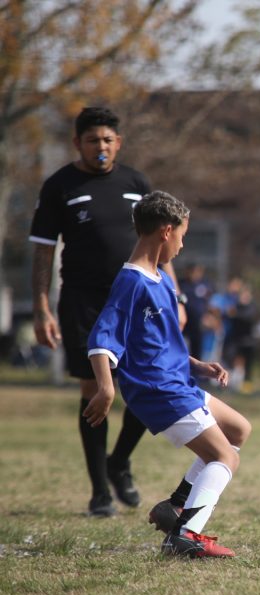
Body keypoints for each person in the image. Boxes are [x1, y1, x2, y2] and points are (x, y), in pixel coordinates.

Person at [86, 191, 250, 557]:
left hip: (177, 381)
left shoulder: (159, 278)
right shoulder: (132, 281)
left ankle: (175, 506)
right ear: (165, 231)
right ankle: (186, 535)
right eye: (182, 235)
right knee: (226, 457)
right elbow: (101, 336)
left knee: (239, 429)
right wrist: (105, 388)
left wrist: (197, 364)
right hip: (157, 389)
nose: (181, 243)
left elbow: (158, 343)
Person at [29, 106, 174, 517]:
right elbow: (42, 249)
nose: (101, 147)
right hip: (82, 301)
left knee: (149, 386)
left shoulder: (135, 182)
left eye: (108, 139)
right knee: (94, 391)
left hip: (134, 300)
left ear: (119, 143)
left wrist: (173, 294)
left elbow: (161, 243)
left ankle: (119, 461)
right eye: (93, 140)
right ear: (78, 143)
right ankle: (99, 492)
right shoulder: (60, 185)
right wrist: (41, 307)